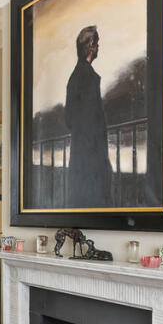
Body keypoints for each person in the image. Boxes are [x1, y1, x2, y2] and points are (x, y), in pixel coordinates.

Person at [64, 25, 113, 206]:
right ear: (91, 46)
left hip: (79, 154)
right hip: (93, 154)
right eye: (97, 43)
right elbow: (95, 119)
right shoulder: (89, 78)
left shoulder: (73, 77)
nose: (98, 47)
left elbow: (68, 119)